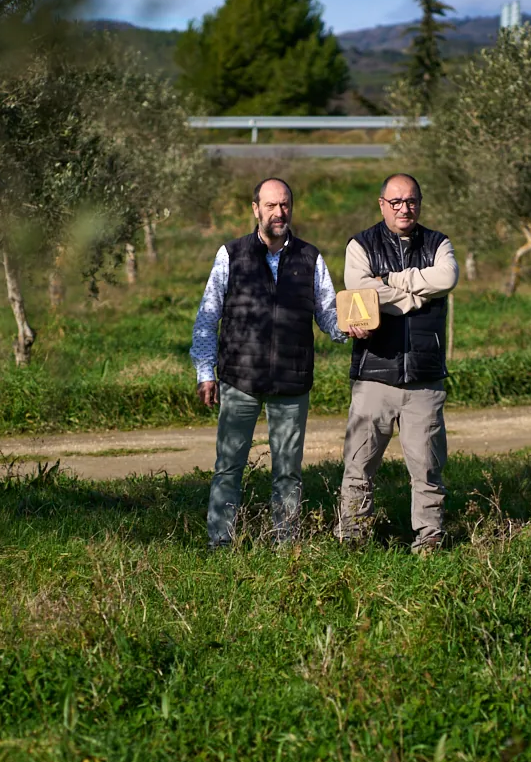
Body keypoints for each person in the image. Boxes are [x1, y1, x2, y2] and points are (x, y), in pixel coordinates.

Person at [190, 177, 347, 549]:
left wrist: (352, 329)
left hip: (292, 384)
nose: (280, 213)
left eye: (285, 205)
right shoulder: (230, 254)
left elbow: (327, 314)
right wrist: (205, 371)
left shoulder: (311, 258)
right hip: (239, 380)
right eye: (272, 206)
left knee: (288, 474)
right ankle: (220, 543)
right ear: (256, 209)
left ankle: (284, 544)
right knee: (228, 467)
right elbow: (207, 317)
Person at [338, 173, 459, 554]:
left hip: (424, 377)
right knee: (358, 465)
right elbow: (360, 287)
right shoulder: (361, 245)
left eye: (411, 202)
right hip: (374, 373)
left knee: (427, 469)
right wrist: (413, 297)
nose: (404, 208)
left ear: (419, 203)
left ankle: (429, 540)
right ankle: (353, 538)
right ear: (382, 204)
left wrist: (391, 280)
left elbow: (447, 276)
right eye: (396, 202)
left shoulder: (439, 243)